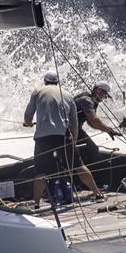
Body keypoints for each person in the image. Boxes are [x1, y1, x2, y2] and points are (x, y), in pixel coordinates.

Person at [23, 71, 80, 208]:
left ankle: (36, 203)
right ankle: (97, 194)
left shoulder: (38, 91)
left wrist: (28, 123)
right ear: (57, 82)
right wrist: (74, 141)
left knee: (41, 172)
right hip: (62, 136)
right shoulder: (67, 94)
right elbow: (74, 123)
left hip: (43, 138)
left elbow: (28, 114)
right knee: (78, 166)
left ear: (45, 81)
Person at [72, 82, 118, 200]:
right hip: (69, 129)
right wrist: (108, 129)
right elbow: (94, 119)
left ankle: (86, 183)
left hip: (77, 128)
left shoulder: (94, 102)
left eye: (106, 95)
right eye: (104, 93)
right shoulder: (86, 100)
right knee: (89, 151)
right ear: (97, 90)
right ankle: (93, 184)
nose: (105, 96)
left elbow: (91, 123)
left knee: (91, 149)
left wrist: (107, 130)